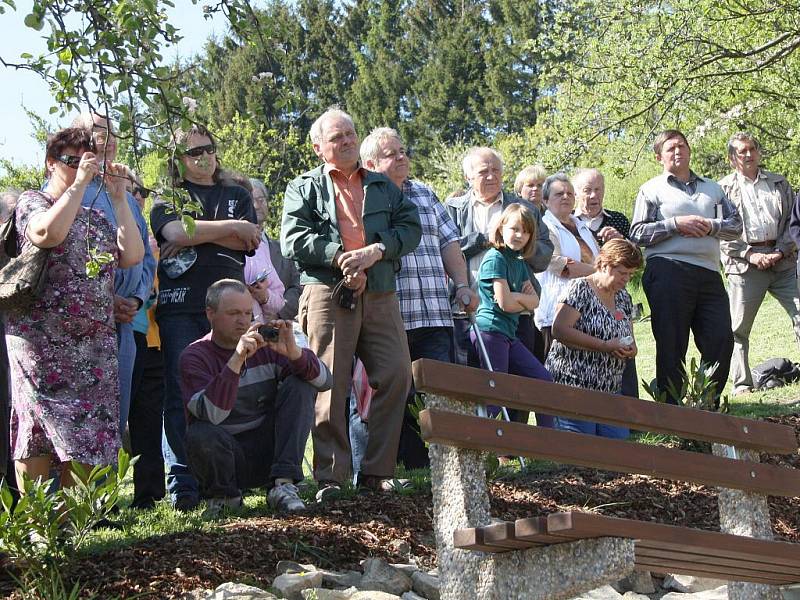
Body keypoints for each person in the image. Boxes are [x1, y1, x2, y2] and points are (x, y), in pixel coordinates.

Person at [281, 108, 421, 499]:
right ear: (317, 147)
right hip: (327, 292)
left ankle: (377, 472)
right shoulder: (303, 187)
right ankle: (331, 478)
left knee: (396, 374)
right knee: (329, 381)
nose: (346, 141)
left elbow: (411, 229)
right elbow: (292, 239)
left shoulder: (382, 185)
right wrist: (340, 255)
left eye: (350, 134)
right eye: (336, 137)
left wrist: (377, 251)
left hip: (380, 291)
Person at [6, 127, 144, 488]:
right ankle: (38, 524)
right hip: (40, 341)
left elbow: (132, 256)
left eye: (88, 162)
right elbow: (46, 235)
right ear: (50, 163)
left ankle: (69, 525)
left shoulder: (95, 217)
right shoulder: (32, 202)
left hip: (93, 343)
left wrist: (117, 199)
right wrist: (79, 183)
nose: (81, 168)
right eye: (71, 160)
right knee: (36, 428)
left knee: (87, 432)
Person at [150, 123, 260, 511]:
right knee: (179, 396)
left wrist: (197, 233)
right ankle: (183, 486)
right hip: (181, 306)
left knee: (231, 388)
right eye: (193, 152)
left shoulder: (236, 193)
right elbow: (177, 231)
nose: (204, 157)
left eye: (209, 148)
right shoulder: (168, 195)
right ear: (177, 162)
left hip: (231, 310)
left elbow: (250, 241)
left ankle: (224, 479)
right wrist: (231, 227)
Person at [360, 126, 477, 469]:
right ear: (370, 162)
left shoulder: (425, 193)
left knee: (438, 390)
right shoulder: (366, 198)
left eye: (403, 150)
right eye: (391, 154)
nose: (402, 157)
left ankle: (440, 462)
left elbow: (449, 243)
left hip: (435, 312)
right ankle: (407, 464)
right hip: (390, 316)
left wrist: (462, 284)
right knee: (399, 394)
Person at [180, 279, 331, 515]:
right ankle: (225, 498)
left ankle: (283, 485)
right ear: (210, 314)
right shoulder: (195, 356)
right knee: (200, 431)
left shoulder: (267, 347)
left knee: (300, 385)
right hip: (225, 455)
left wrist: (295, 354)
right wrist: (236, 360)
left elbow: (324, 382)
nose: (243, 321)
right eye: (233, 313)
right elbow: (212, 415)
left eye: (248, 313)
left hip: (268, 451)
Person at [630, 129, 742, 406]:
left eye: (682, 145)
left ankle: (706, 404)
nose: (678, 151)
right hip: (667, 270)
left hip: (708, 273)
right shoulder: (651, 189)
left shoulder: (713, 188)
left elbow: (736, 225)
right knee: (672, 343)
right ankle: (672, 411)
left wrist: (712, 226)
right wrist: (674, 225)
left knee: (721, 340)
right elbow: (637, 233)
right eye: (670, 148)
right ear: (659, 157)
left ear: (690, 150)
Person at [72, 113, 156, 434]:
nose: (108, 140)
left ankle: (103, 486)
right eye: (98, 132)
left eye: (112, 133)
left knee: (113, 423)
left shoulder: (126, 197)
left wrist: (136, 297)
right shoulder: (71, 189)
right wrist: (105, 298)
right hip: (84, 324)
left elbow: (146, 260)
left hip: (124, 327)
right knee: (80, 423)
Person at [446, 147, 553, 371]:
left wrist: (519, 245)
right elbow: (444, 249)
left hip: (515, 313)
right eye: (484, 171)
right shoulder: (453, 209)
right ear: (468, 176)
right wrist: (484, 240)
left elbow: (545, 254)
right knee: (472, 389)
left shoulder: (524, 208)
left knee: (519, 390)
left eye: (496, 170)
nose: (492, 176)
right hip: (467, 311)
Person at [720, 133, 799, 395]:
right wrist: (750, 254)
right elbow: (721, 233)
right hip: (745, 265)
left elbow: (791, 222)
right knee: (738, 329)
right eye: (741, 151)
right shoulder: (722, 190)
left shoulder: (779, 183)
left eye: (752, 149)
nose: (748, 154)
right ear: (732, 159)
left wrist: (779, 251)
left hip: (782, 261)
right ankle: (742, 384)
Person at [547, 239, 642, 437]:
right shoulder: (580, 288)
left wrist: (631, 349)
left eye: (630, 274)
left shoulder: (623, 296)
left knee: (618, 446)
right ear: (605, 264)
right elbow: (560, 329)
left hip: (610, 389)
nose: (626, 279)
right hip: (573, 388)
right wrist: (603, 345)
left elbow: (629, 336)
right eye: (622, 273)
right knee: (580, 453)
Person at [471, 203, 554, 426]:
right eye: (514, 229)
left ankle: (549, 446)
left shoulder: (517, 261)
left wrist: (519, 297)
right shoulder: (495, 257)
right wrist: (521, 298)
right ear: (501, 229)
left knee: (543, 379)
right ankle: (476, 446)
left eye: (525, 231)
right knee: (497, 394)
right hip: (490, 331)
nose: (519, 235)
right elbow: (505, 303)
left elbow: (535, 302)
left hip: (508, 333)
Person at [535, 173, 600, 355]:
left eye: (570, 194)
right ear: (546, 201)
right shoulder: (543, 227)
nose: (566, 197)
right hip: (558, 312)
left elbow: (599, 258)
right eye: (559, 194)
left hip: (588, 308)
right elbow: (561, 265)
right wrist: (600, 274)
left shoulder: (582, 226)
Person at [244, 178, 301, 322]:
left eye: (261, 199)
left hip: (281, 328)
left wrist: (279, 314)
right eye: (251, 200)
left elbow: (297, 287)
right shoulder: (233, 248)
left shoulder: (284, 248)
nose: (257, 205)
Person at [573, 168, 631, 245]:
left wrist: (621, 240)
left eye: (597, 189)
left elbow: (638, 254)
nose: (593, 195)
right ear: (575, 194)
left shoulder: (619, 220)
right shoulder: (566, 220)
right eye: (587, 190)